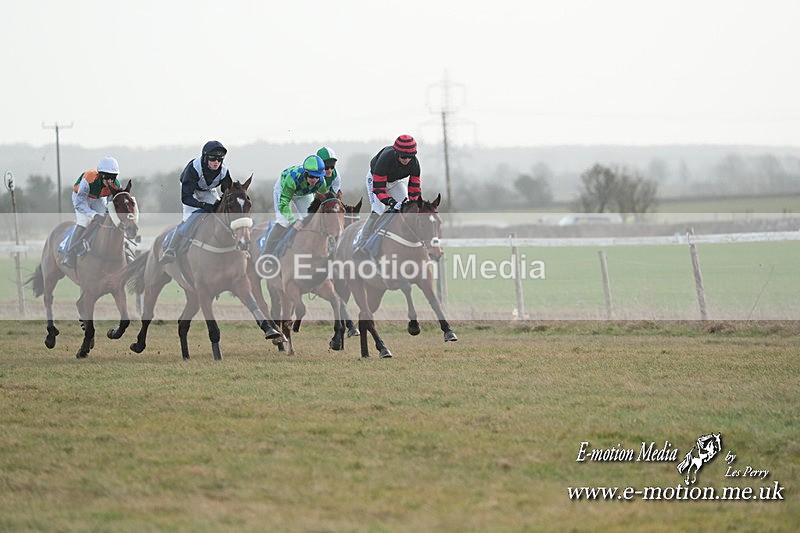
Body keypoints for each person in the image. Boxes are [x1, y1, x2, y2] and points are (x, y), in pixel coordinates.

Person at [159, 140, 232, 264]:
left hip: (209, 191)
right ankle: (171, 249)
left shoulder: (224, 171)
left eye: (220, 160)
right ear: (205, 158)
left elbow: (227, 192)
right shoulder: (193, 169)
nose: (216, 163)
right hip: (191, 192)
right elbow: (186, 198)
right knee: (191, 219)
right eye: (213, 159)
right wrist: (202, 205)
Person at [353, 134, 421, 255]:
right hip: (376, 180)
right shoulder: (385, 159)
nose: (406, 159)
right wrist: (391, 202)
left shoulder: (415, 164)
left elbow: (414, 189)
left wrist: (413, 203)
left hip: (395, 182)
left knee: (407, 207)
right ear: (396, 153)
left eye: (409, 157)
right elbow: (379, 189)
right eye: (403, 156)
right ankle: (361, 243)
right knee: (378, 210)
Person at [261, 154, 328, 255]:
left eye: (317, 177)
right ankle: (266, 254)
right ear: (306, 174)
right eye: (311, 176)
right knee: (284, 221)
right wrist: (292, 221)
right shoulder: (292, 179)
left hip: (303, 193)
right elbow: (284, 204)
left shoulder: (322, 183)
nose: (314, 180)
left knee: (308, 219)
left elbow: (320, 203)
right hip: (284, 190)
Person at [62, 156, 122, 268]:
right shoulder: (88, 179)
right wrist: (93, 215)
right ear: (100, 175)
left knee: (105, 220)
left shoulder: (116, 185)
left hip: (98, 199)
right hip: (81, 198)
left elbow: (111, 204)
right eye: (108, 177)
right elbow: (80, 203)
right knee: (84, 222)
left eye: (113, 177)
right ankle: (69, 254)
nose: (110, 181)